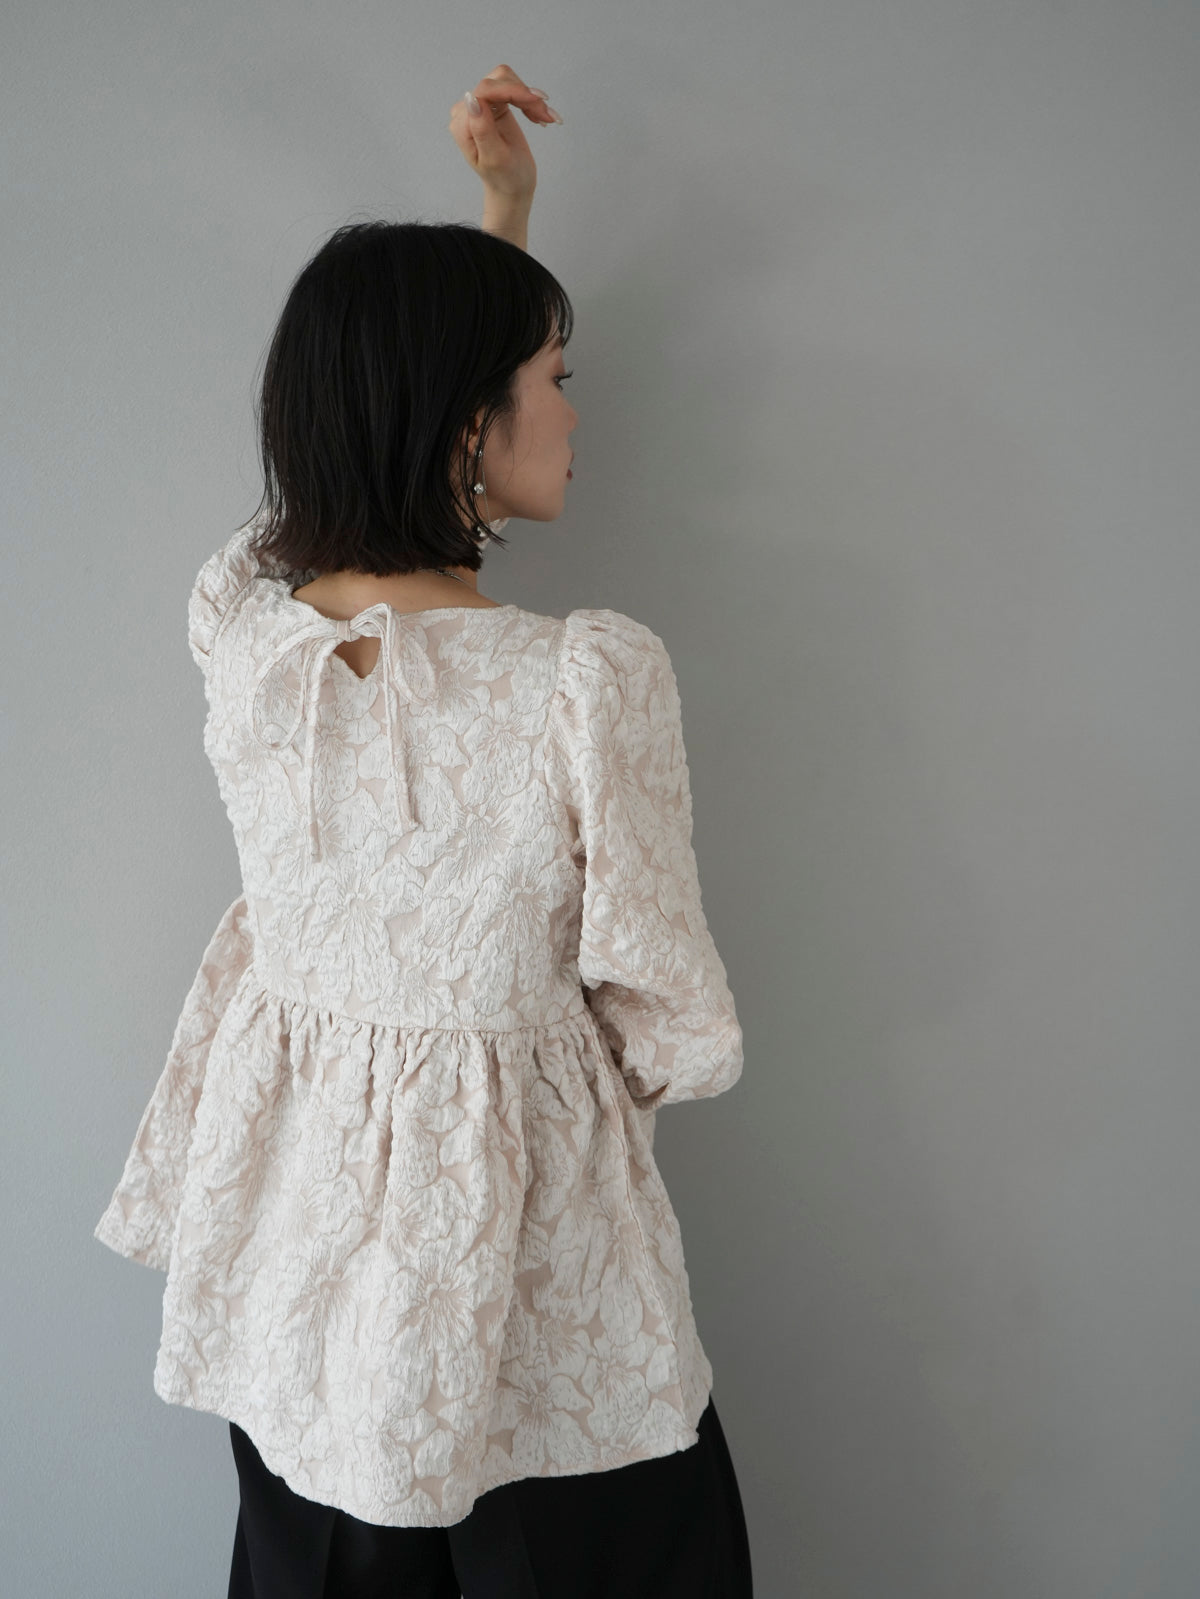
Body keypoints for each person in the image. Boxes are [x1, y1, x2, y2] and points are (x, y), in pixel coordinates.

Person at [93, 63, 753, 1598]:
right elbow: (669, 1017)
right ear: (469, 424)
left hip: (300, 1277)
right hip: (537, 1291)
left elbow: (318, 497)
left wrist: (501, 222)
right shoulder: (586, 679)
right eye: (555, 376)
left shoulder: (246, 637)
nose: (576, 412)